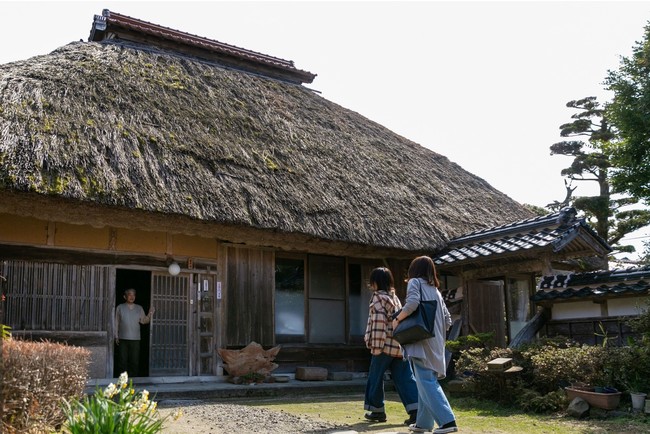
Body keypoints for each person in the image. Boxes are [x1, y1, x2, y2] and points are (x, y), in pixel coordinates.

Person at [392, 256, 458, 434]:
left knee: (426, 381)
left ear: (415, 269)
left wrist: (397, 320)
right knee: (424, 381)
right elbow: (448, 320)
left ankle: (447, 421)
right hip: (436, 341)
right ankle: (423, 423)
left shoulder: (415, 282)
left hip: (421, 341)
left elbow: (412, 304)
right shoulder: (435, 290)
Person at [363, 267, 419, 425]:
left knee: (375, 377)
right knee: (405, 378)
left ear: (375, 282)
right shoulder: (395, 298)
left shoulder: (377, 298)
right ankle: (416, 411)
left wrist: (376, 346)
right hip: (399, 345)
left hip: (384, 345)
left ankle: (377, 410)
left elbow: (379, 324)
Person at [115, 288, 154, 377]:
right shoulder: (120, 307)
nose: (132, 297)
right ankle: (122, 380)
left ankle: (134, 380)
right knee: (122, 360)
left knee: (134, 360)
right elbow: (116, 322)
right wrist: (116, 335)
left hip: (135, 338)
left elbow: (144, 321)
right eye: (129, 294)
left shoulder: (139, 308)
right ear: (125, 296)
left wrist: (150, 314)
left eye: (133, 295)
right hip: (123, 337)